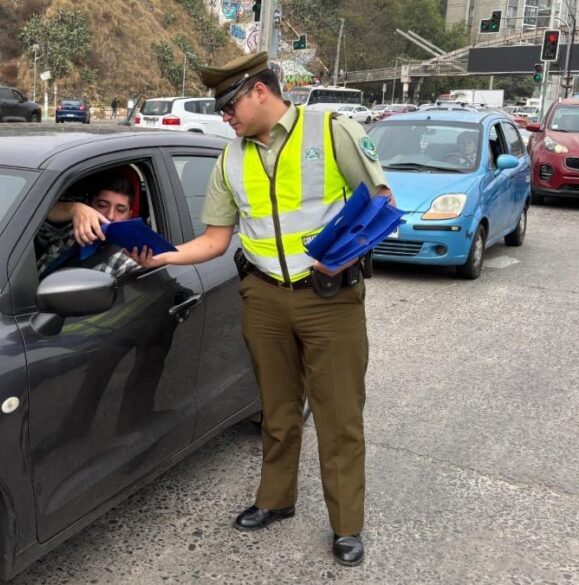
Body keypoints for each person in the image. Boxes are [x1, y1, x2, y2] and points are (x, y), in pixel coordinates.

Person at [125, 51, 395, 567]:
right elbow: (213, 240)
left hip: (329, 298)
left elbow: (382, 202)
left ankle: (346, 525)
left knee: (339, 415)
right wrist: (159, 254)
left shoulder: (331, 131)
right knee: (276, 407)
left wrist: (345, 258)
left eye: (229, 105)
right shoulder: (231, 158)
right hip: (264, 297)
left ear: (259, 91)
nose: (225, 116)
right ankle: (276, 500)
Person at [35, 172, 141, 280]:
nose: (110, 216)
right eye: (102, 206)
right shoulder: (71, 229)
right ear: (89, 206)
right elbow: (37, 211)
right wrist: (74, 209)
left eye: (120, 210)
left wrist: (154, 262)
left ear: (129, 215)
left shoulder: (128, 256)